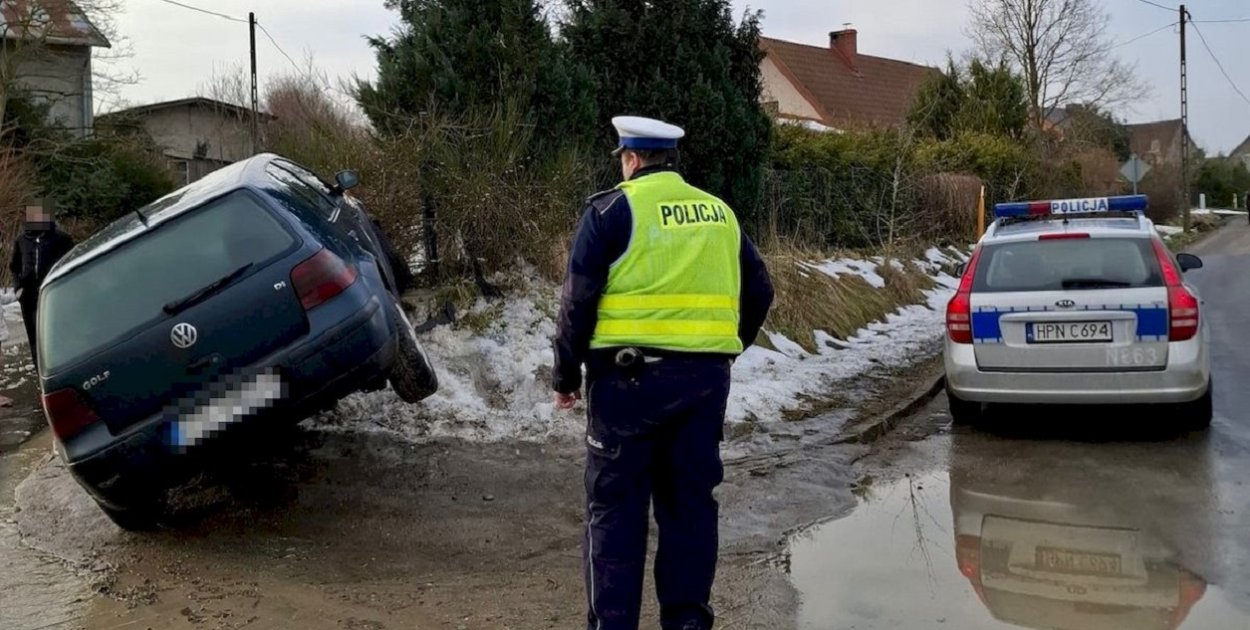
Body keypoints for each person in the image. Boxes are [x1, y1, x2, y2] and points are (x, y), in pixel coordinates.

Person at [552, 116, 774, 630]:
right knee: (690, 512)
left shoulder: (610, 211)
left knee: (615, 516)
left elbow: (576, 303)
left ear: (630, 160)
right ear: (671, 160)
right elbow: (760, 292)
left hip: (625, 386)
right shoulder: (721, 214)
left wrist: (565, 375)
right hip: (702, 386)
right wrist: (724, 347)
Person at [9, 199, 76, 369]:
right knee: (34, 335)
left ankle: (62, 365)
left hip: (54, 294)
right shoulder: (22, 240)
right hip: (29, 296)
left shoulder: (61, 239)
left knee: (55, 331)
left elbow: (72, 262)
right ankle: (40, 369)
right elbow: (14, 267)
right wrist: (19, 289)